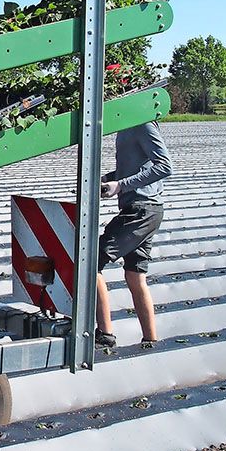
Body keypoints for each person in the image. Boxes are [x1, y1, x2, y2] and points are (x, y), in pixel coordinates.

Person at [94, 120, 173, 348]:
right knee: (135, 275)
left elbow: (164, 166)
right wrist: (105, 180)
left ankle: (105, 334)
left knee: (90, 262)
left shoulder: (142, 123)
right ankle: (150, 340)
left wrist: (121, 185)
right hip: (142, 209)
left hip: (142, 209)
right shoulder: (125, 125)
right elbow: (133, 168)